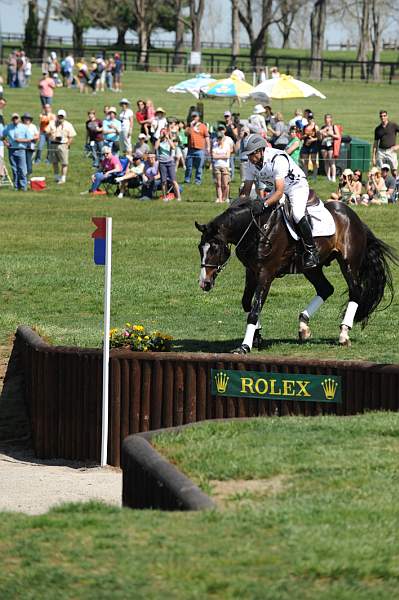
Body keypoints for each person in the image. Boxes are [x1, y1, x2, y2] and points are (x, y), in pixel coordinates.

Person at [241, 134, 319, 269]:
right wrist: (239, 207)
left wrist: (264, 204)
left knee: (297, 214)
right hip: (277, 188)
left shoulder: (277, 159)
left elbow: (279, 192)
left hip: (296, 186)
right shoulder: (250, 164)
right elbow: (246, 191)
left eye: (251, 155)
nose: (249, 158)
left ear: (260, 151)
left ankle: (312, 251)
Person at [2, 113, 32, 191]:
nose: (15, 120)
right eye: (14, 118)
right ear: (12, 119)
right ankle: (16, 186)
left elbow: (29, 139)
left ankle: (23, 187)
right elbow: (2, 137)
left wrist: (20, 140)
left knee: (22, 169)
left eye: (16, 118)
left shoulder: (24, 127)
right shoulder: (8, 127)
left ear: (19, 119)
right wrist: (6, 143)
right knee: (14, 169)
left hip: (21, 150)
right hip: (11, 150)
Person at [47, 109, 77, 184]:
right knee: (54, 161)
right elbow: (46, 132)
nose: (60, 117)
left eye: (62, 116)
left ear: (64, 117)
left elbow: (71, 136)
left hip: (63, 144)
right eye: (59, 116)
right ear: (57, 116)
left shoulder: (68, 125)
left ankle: (63, 178)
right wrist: (50, 133)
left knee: (64, 162)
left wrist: (67, 145)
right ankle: (56, 177)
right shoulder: (52, 123)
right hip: (53, 144)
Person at [154, 127, 181, 201]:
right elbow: (156, 147)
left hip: (170, 162)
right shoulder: (159, 141)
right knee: (164, 181)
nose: (163, 134)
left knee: (173, 180)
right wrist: (160, 138)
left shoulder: (169, 141)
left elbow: (173, 147)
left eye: (164, 132)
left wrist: (168, 138)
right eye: (162, 132)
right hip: (162, 163)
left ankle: (178, 197)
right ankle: (165, 197)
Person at [185, 111, 210, 185]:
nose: (194, 118)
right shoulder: (189, 126)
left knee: (199, 167)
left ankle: (198, 180)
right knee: (189, 166)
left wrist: (208, 147)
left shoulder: (203, 126)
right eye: (193, 117)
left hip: (200, 149)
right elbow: (186, 134)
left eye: (195, 116)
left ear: (198, 118)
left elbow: (207, 137)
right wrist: (191, 126)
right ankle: (187, 179)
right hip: (191, 149)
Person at [373, 110, 399, 176]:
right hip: (381, 151)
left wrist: (398, 146)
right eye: (381, 116)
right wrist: (373, 157)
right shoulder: (378, 129)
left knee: (394, 171)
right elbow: (375, 143)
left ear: (387, 116)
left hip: (391, 151)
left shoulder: (393, 125)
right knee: (380, 172)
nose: (383, 117)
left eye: (384, 116)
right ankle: (382, 185)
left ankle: (396, 185)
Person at [211, 125, 232, 203]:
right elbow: (213, 156)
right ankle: (219, 198)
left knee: (225, 184)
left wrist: (218, 156)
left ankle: (224, 197)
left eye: (220, 138)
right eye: (218, 138)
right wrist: (222, 156)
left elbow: (227, 156)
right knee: (218, 183)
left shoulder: (227, 145)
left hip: (225, 166)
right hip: (217, 166)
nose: (219, 139)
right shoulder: (215, 144)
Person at [319, 114, 340, 182]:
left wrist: (330, 134)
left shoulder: (334, 127)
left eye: (328, 118)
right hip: (323, 144)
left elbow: (338, 136)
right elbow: (320, 138)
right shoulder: (323, 127)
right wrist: (321, 133)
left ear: (331, 119)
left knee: (332, 161)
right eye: (325, 118)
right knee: (326, 161)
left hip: (331, 144)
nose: (326, 120)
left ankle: (333, 177)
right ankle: (328, 177)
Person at [300, 111, 320, 180]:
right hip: (306, 145)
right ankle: (305, 176)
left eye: (311, 118)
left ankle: (314, 176)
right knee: (305, 161)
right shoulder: (304, 127)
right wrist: (305, 136)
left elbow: (319, 138)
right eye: (309, 118)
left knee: (314, 161)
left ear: (313, 119)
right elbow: (301, 137)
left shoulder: (316, 127)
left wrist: (312, 140)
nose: (310, 119)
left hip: (313, 145)